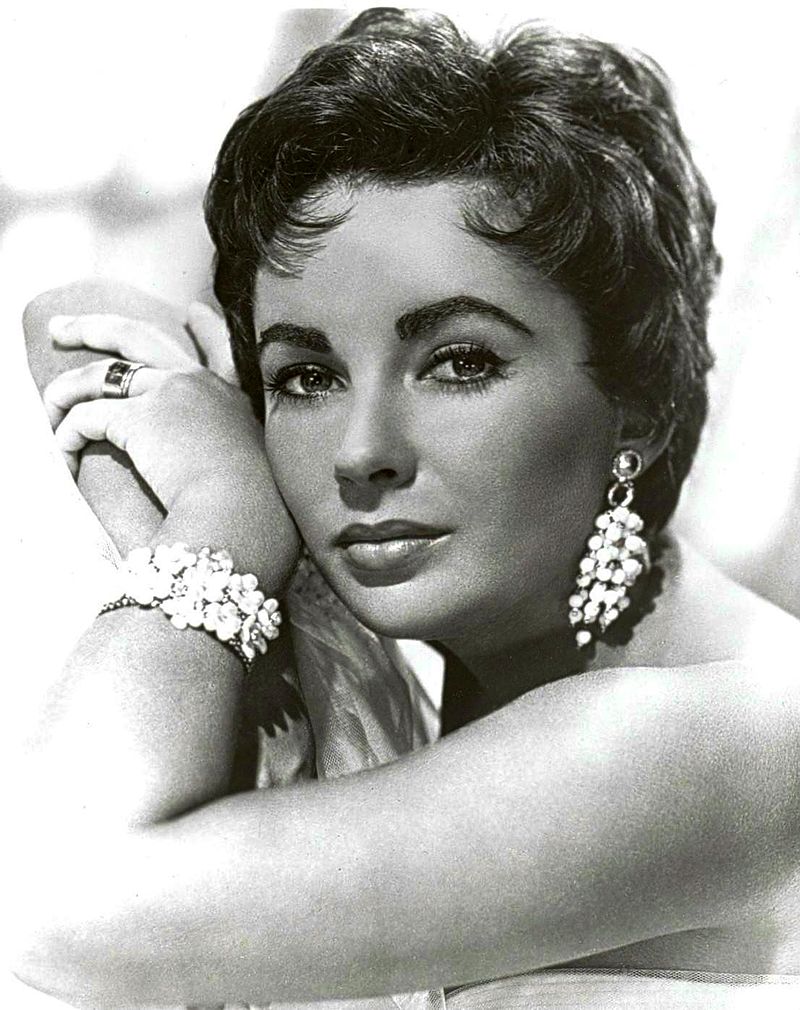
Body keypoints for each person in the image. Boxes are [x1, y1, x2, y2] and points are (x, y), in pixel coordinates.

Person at [11, 8, 800, 1009]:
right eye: (306, 376)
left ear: (635, 407)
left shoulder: (728, 737)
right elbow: (73, 320)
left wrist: (222, 518)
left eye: (460, 362)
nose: (360, 453)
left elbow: (46, 910)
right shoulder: (497, 681)